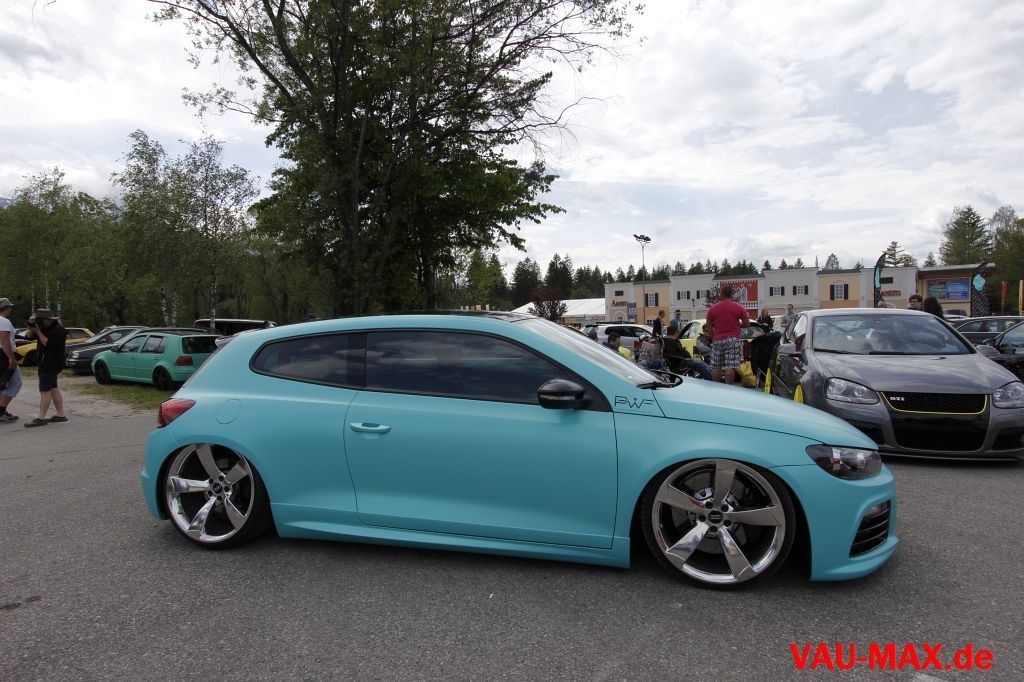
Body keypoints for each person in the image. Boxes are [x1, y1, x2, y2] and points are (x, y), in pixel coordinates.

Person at [23, 309, 68, 427]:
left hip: (50, 363)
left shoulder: (58, 330)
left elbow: (48, 343)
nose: (38, 323)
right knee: (53, 388)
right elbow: (28, 337)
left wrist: (38, 332)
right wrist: (31, 329)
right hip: (47, 362)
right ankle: (60, 415)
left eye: (39, 320)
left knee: (45, 390)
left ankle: (41, 418)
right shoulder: (45, 328)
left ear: (47, 319)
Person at [705, 285, 750, 384]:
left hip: (718, 339)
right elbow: (747, 324)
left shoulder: (713, 308)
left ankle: (716, 387)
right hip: (733, 339)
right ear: (731, 294)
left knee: (716, 366)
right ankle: (728, 388)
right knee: (731, 366)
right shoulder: (739, 307)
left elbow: (708, 325)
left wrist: (712, 336)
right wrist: (737, 325)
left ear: (721, 293)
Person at [0, 297, 22, 424]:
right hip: (3, 354)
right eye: (9, 307)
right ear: (6, 309)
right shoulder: (4, 321)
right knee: (15, 382)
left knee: (3, 382)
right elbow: (4, 340)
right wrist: (11, 358)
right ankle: (1, 410)